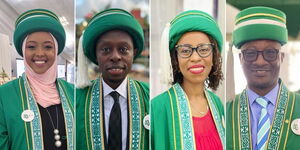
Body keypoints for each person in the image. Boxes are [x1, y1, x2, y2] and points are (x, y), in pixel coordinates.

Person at [226, 6, 300, 150]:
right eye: (251, 53)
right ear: (240, 58)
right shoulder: (224, 111)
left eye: (270, 53)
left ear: (281, 57)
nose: (260, 61)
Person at [0, 9, 74, 150]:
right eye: (31, 47)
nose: (40, 53)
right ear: (23, 50)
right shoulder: (4, 96)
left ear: (56, 50)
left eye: (47, 47)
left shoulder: (73, 93)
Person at [76, 8, 149, 150]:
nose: (115, 56)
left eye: (123, 49)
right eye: (105, 49)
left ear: (133, 53)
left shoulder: (149, 96)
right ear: (95, 54)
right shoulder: (77, 100)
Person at [151, 10, 225, 150]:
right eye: (185, 51)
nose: (195, 58)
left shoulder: (218, 104)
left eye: (203, 49)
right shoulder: (157, 108)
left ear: (214, 56)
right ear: (175, 59)